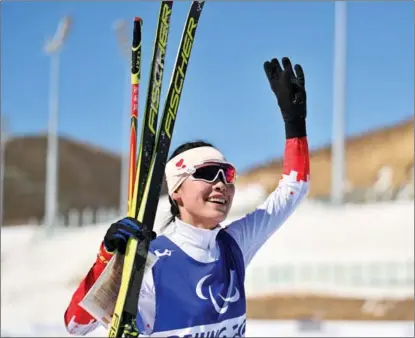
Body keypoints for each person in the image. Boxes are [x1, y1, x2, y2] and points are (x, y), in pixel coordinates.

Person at [64, 56, 310, 337]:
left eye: (226, 174)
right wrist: (107, 257)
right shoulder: (150, 259)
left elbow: (294, 189)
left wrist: (294, 124)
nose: (221, 184)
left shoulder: (234, 245)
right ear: (177, 190)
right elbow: (76, 325)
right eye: (206, 173)